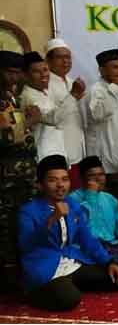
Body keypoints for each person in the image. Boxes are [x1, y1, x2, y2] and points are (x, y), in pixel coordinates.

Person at [19, 155, 118, 310]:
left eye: (65, 179)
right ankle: (33, 292)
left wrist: (109, 262)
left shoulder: (72, 204)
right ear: (40, 185)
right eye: (52, 180)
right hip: (43, 266)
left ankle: (68, 285)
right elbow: (27, 245)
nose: (60, 185)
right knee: (69, 299)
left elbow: (87, 239)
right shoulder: (28, 211)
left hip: (70, 262)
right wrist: (52, 219)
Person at [0, 50, 38, 291]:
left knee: (22, 226)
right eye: (9, 72)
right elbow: (6, 137)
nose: (14, 78)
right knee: (5, 230)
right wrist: (29, 122)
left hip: (22, 177)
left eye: (17, 73)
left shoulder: (11, 98)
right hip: (5, 181)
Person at [68, 156, 118, 272]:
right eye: (92, 175)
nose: (98, 179)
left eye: (101, 174)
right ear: (82, 179)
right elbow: (87, 232)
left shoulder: (109, 199)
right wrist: (91, 196)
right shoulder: (72, 199)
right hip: (88, 247)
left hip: (112, 246)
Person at [85, 49, 118, 202]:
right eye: (115, 67)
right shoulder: (96, 90)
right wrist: (116, 89)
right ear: (102, 70)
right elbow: (99, 114)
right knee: (109, 204)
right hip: (109, 166)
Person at [45, 39, 86, 181]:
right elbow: (53, 118)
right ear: (48, 61)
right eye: (60, 57)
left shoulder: (71, 82)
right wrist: (73, 95)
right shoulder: (45, 84)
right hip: (59, 152)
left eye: (68, 57)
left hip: (78, 150)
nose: (65, 61)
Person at [19, 52, 71, 162]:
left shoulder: (44, 92)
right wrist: (73, 96)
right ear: (25, 75)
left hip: (57, 151)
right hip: (44, 155)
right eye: (36, 71)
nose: (43, 75)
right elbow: (53, 119)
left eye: (45, 70)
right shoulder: (28, 97)